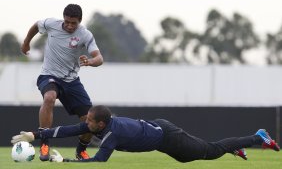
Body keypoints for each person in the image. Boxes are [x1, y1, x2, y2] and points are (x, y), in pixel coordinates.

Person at [11, 105, 280, 162]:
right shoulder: (102, 125)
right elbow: (68, 129)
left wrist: (66, 162)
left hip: (167, 135)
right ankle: (231, 146)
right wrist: (36, 135)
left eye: (90, 121)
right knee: (189, 159)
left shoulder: (111, 135)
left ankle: (258, 137)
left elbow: (100, 160)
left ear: (101, 125)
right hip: (158, 132)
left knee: (210, 151)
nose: (86, 123)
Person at [20, 4, 103, 161]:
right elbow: (36, 26)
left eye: (74, 23)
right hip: (49, 75)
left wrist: (90, 62)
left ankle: (81, 151)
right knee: (49, 97)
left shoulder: (85, 34)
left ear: (80, 21)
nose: (70, 26)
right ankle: (44, 143)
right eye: (67, 22)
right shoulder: (51, 24)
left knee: (90, 120)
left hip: (72, 81)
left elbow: (99, 58)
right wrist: (26, 42)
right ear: (63, 18)